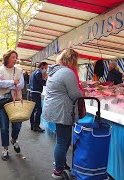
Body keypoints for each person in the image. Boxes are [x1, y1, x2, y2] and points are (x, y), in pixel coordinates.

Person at [42, 49, 83, 179]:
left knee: (63, 139)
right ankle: (58, 170)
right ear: (72, 60)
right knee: (62, 141)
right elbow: (75, 94)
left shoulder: (56, 70)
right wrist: (84, 92)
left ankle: (61, 163)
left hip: (55, 109)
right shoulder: (67, 72)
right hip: (62, 110)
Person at [0, 50, 24, 161]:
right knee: (4, 127)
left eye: (15, 57)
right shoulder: (0, 70)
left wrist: (7, 83)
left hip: (16, 101)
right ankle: (5, 149)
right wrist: (13, 82)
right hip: (2, 101)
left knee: (17, 125)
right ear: (7, 58)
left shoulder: (19, 70)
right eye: (13, 57)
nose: (15, 59)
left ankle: (14, 139)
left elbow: (21, 85)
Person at [29, 62, 48, 132]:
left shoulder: (34, 72)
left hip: (32, 93)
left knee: (33, 109)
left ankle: (32, 125)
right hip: (36, 93)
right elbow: (41, 82)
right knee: (38, 109)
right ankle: (36, 126)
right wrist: (45, 79)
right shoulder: (38, 73)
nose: (46, 69)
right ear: (42, 66)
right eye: (45, 67)